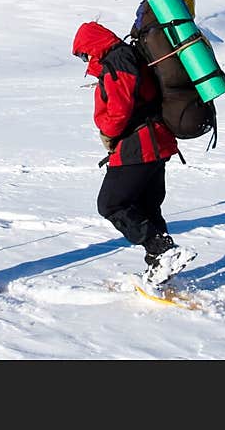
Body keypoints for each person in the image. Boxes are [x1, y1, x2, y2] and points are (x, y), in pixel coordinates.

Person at [72, 21, 196, 287]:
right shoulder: (130, 57)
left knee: (111, 204)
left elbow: (119, 110)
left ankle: (162, 251)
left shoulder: (118, 62)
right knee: (147, 206)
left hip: (139, 145)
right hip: (157, 142)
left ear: (93, 45)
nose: (85, 60)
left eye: (84, 53)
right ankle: (160, 264)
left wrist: (107, 132)